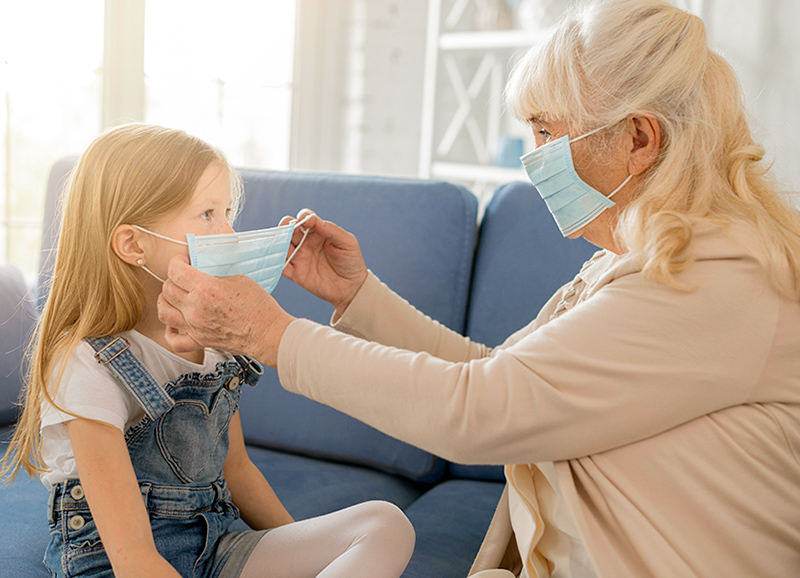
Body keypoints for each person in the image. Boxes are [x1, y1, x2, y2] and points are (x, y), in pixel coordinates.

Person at [157, 0, 800, 576]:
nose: (532, 156)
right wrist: (356, 298)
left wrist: (269, 335)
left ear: (638, 138)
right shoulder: (638, 255)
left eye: (548, 132)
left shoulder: (713, 274)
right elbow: (502, 374)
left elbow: (485, 409)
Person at [0, 124, 415, 578]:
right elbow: (132, 558)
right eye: (207, 215)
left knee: (384, 524)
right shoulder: (88, 363)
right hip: (116, 564)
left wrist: (310, 558)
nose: (228, 233)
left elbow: (237, 469)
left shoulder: (214, 341)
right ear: (133, 244)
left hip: (216, 547)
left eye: (228, 213)